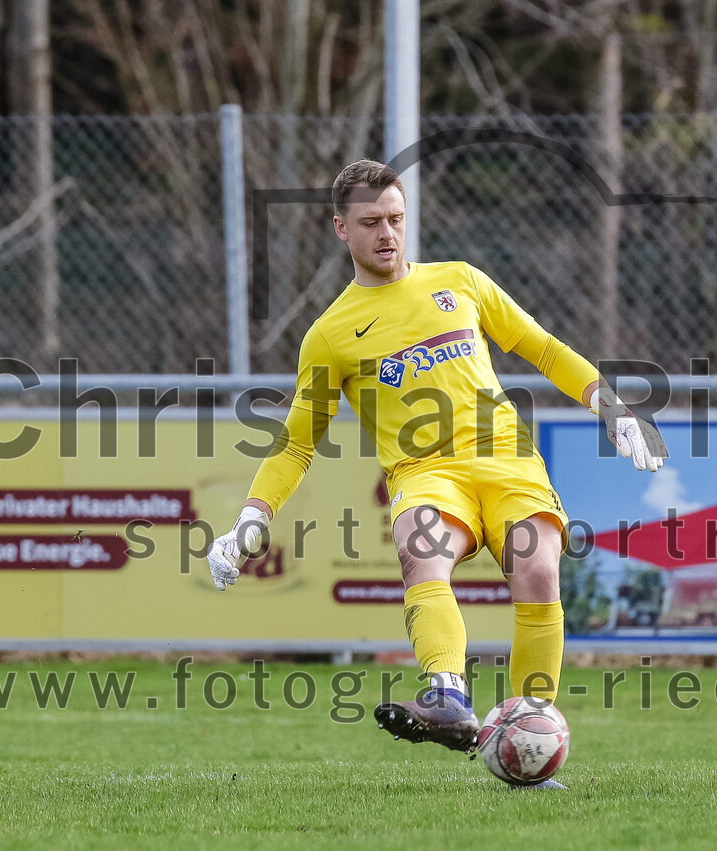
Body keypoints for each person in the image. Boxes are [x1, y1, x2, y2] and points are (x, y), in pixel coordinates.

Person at [206, 160, 667, 788]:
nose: (387, 234)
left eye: (396, 219)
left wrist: (612, 410)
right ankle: (447, 694)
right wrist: (250, 520)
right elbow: (295, 444)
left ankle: (530, 731)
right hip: (425, 472)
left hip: (506, 457)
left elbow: (543, 347)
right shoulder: (330, 335)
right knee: (421, 549)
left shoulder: (461, 281)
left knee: (537, 567)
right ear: (341, 228)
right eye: (371, 223)